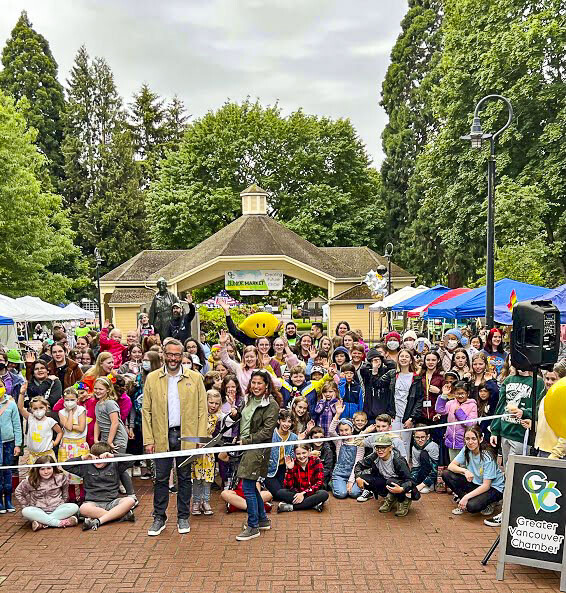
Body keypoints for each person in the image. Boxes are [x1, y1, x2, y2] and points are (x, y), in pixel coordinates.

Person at [142, 338, 208, 537]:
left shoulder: (195, 378)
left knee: (184, 477)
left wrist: (199, 440)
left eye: (177, 355)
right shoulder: (152, 378)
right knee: (161, 478)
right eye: (169, 354)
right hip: (161, 434)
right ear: (163, 354)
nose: (173, 358)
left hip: (186, 435)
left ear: (182, 356)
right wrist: (149, 440)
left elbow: (202, 411)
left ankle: (183, 516)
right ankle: (159, 517)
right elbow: (146, 411)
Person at [226, 369, 280, 541]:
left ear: (266, 386)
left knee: (248, 486)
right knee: (250, 485)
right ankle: (262, 519)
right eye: (253, 383)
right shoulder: (247, 399)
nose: (256, 386)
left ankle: (253, 525)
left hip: (258, 449)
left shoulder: (271, 405)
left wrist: (247, 441)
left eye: (260, 383)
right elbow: (242, 417)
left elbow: (266, 432)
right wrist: (235, 413)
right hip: (246, 446)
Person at [66, 442, 136, 530]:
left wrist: (112, 456)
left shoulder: (115, 464)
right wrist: (83, 457)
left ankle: (99, 520)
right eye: (96, 457)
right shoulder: (86, 466)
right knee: (83, 508)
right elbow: (66, 466)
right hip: (93, 503)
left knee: (130, 500)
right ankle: (120, 516)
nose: (98, 460)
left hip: (112, 502)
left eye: (102, 458)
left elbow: (132, 459)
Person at [442, 425, 504, 517]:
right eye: (467, 439)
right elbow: (451, 466)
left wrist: (466, 497)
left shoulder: (487, 456)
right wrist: (465, 471)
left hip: (493, 488)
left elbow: (486, 486)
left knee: (471, 506)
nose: (470, 442)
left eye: (474, 439)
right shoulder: (466, 450)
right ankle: (463, 502)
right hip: (476, 483)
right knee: (446, 474)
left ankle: (491, 502)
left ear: (481, 439)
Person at [93, 376, 136, 503]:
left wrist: (110, 442)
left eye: (100, 389)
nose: (97, 391)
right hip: (106, 438)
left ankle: (131, 494)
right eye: (95, 388)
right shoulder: (98, 403)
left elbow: (115, 423)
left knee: (119, 467)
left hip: (117, 439)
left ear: (107, 389)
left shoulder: (110, 403)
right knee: (110, 467)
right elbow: (98, 422)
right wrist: (97, 439)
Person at [354, 433, 416, 517]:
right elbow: (359, 465)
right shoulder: (375, 456)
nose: (380, 450)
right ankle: (390, 497)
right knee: (364, 478)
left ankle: (403, 501)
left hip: (399, 483)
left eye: (383, 447)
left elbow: (410, 480)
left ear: (390, 448)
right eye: (377, 447)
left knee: (391, 482)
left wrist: (402, 489)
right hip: (384, 480)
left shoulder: (398, 460)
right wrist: (358, 477)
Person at [377, 348, 423, 456]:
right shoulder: (392, 374)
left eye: (407, 356)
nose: (404, 359)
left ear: (411, 360)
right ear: (398, 359)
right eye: (401, 356)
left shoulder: (416, 378)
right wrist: (375, 368)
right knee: (393, 442)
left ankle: (405, 467)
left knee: (405, 443)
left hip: (407, 417)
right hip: (394, 416)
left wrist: (412, 418)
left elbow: (419, 400)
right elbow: (378, 383)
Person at [15, 455, 79, 530]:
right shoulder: (30, 480)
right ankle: (59, 523)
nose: (46, 472)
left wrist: (63, 501)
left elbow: (65, 493)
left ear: (53, 468)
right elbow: (18, 492)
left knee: (74, 507)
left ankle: (42, 523)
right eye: (42, 469)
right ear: (37, 469)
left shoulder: (60, 478)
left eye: (49, 468)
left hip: (57, 509)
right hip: (38, 510)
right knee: (25, 511)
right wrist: (25, 504)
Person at [191, 389, 223, 516]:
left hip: (209, 450)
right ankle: (196, 502)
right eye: (211, 402)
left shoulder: (218, 416)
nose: (213, 406)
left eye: (216, 403)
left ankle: (206, 501)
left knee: (208, 477)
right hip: (198, 447)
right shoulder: (199, 415)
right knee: (197, 477)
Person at [57, 387, 90, 503]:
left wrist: (70, 424)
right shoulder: (61, 412)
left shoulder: (81, 410)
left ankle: (82, 496)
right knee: (68, 473)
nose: (69, 402)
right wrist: (70, 412)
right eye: (67, 400)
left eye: (72, 399)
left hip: (79, 444)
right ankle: (71, 497)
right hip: (66, 445)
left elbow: (81, 428)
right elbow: (69, 427)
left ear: (77, 399)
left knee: (80, 472)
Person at [276, 444, 329, 512]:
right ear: (295, 454)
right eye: (298, 454)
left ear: (309, 452)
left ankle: (291, 507)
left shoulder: (316, 461)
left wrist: (303, 493)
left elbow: (319, 482)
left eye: (304, 453)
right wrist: (290, 469)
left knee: (324, 494)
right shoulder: (292, 463)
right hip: (297, 493)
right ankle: (313, 504)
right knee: (280, 493)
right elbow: (288, 486)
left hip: (312, 492)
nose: (301, 456)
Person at [329, 401, 364, 499]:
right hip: (339, 473)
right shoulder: (339, 441)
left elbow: (358, 463)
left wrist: (351, 481)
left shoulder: (359, 443)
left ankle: (345, 485)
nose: (344, 433)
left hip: (354, 473)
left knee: (354, 493)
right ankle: (333, 483)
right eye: (341, 430)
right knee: (341, 494)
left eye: (346, 430)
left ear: (352, 429)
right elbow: (331, 431)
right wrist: (338, 414)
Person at [435, 380, 478, 461]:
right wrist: (444, 395)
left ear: (468, 394)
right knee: (453, 464)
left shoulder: (472, 405)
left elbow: (471, 423)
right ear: (454, 394)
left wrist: (459, 413)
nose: (460, 396)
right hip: (451, 441)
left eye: (463, 393)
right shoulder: (451, 403)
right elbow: (440, 410)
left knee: (464, 465)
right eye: (458, 393)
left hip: (465, 442)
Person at [17, 388, 62, 464]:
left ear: (46, 408)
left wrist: (55, 443)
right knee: (34, 474)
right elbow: (20, 408)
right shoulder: (30, 418)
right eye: (35, 408)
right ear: (31, 409)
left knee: (47, 473)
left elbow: (60, 432)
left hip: (47, 454)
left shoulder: (50, 421)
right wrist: (21, 394)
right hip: (33, 455)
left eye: (41, 408)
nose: (38, 410)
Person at [0, 377, 22, 513]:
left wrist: (18, 444)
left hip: (9, 442)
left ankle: (8, 499)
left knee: (8, 470)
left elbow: (17, 425)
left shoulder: (11, 404)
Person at [265, 409, 298, 498]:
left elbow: (293, 454)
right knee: (278, 493)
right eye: (283, 421)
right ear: (278, 421)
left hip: (283, 469)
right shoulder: (271, 434)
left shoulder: (294, 437)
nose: (286, 424)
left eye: (289, 422)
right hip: (269, 471)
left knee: (284, 491)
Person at [411, 427, 439, 494]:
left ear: (428, 436)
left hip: (433, 473)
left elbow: (435, 468)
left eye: (423, 437)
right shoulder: (414, 447)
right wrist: (411, 481)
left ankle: (429, 485)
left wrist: (425, 483)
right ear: (414, 437)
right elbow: (415, 466)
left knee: (423, 454)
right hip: (422, 471)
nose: (420, 440)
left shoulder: (432, 446)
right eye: (417, 437)